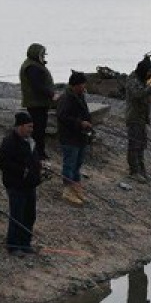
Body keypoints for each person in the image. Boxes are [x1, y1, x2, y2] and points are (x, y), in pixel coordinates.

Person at [0, 112, 43, 256]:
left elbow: (34, 159)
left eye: (32, 127)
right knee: (17, 216)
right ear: (20, 126)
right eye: (29, 126)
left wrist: (37, 170)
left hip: (30, 185)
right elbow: (5, 163)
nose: (31, 129)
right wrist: (23, 171)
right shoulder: (9, 142)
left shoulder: (30, 141)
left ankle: (25, 243)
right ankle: (13, 246)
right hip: (16, 186)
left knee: (29, 215)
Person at [124, 58, 151, 183]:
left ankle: (141, 171)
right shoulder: (133, 80)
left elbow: (146, 98)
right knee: (134, 145)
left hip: (141, 118)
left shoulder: (141, 80)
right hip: (134, 117)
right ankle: (134, 172)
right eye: (148, 72)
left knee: (141, 145)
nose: (149, 75)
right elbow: (138, 94)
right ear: (143, 70)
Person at [56, 71, 92, 206]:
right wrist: (80, 123)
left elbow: (85, 112)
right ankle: (67, 191)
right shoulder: (66, 98)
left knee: (78, 164)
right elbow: (62, 116)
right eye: (82, 84)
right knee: (69, 164)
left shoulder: (80, 96)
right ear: (75, 85)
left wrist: (87, 123)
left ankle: (76, 188)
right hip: (69, 137)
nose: (84, 87)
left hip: (80, 136)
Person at [19, 43, 57, 161]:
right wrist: (51, 94)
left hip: (39, 103)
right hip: (36, 103)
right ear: (36, 54)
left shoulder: (33, 64)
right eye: (42, 54)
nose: (44, 56)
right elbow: (37, 85)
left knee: (39, 128)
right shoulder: (32, 67)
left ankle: (39, 152)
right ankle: (38, 153)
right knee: (38, 129)